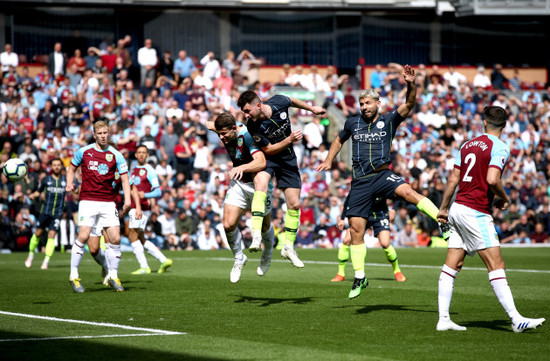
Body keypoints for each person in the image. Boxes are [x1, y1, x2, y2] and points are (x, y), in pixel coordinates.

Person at [315, 65, 449, 300]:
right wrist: (328, 160)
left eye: (368, 103)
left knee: (409, 192)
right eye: (362, 104)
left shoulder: (388, 120)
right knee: (356, 232)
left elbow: (408, 104)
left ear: (378, 104)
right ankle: (359, 277)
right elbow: (337, 141)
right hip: (360, 183)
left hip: (382, 175)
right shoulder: (351, 123)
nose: (364, 107)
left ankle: (443, 222)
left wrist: (411, 84)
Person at [436, 106, 545, 333]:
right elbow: (492, 178)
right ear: (504, 125)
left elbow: (453, 177)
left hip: (457, 208)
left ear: (484, 122)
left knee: (452, 264)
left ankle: (444, 319)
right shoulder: (500, 146)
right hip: (475, 211)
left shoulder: (467, 145)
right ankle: (516, 319)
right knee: (496, 265)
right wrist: (504, 197)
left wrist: (444, 208)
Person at [237, 90, 325, 268]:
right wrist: (290, 139)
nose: (246, 115)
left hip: (287, 159)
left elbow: (291, 100)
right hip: (268, 159)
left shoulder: (278, 101)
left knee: (294, 205)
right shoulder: (252, 126)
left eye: (248, 111)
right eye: (244, 112)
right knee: (260, 186)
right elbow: (268, 150)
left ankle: (289, 248)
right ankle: (256, 235)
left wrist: (312, 108)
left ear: (259, 105)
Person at [65, 121, 132, 293]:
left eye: (105, 133)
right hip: (88, 200)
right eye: (100, 133)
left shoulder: (116, 155)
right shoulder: (84, 152)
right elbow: (71, 169)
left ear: (109, 134)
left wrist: (128, 200)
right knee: (84, 236)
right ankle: (74, 276)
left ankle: (113, 276)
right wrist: (69, 184)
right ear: (94, 135)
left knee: (115, 238)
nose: (103, 136)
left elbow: (125, 180)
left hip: (109, 202)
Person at [208, 112, 275, 283]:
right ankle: (239, 257)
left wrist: (242, 167)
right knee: (228, 224)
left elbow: (261, 162)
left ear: (233, 128)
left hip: (257, 184)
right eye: (218, 133)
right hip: (238, 183)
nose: (221, 138)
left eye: (223, 134)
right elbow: (210, 124)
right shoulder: (226, 130)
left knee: (264, 225)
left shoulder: (246, 136)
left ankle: (267, 253)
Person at [331, 196, 406, 283]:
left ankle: (397, 271)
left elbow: (397, 195)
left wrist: (393, 209)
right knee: (346, 240)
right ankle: (340, 274)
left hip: (380, 215)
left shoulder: (382, 182)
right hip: (363, 214)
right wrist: (342, 218)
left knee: (385, 243)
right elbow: (348, 199)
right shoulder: (360, 182)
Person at [128, 145, 173, 274]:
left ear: (147, 155)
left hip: (141, 208)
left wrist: (145, 195)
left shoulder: (150, 170)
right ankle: (164, 260)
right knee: (140, 238)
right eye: (139, 152)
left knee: (132, 236)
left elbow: (158, 191)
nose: (141, 155)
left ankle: (144, 267)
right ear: (135, 155)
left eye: (144, 153)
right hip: (133, 206)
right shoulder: (133, 169)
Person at [24, 158, 67, 270]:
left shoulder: (65, 179)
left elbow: (74, 189)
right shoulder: (46, 179)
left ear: (61, 166)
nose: (57, 167)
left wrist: (76, 190)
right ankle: (31, 254)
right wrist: (34, 195)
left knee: (51, 236)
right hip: (45, 212)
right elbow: (39, 191)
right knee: (37, 233)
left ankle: (46, 261)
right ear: (51, 167)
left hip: (57, 213)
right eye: (54, 165)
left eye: (58, 165)